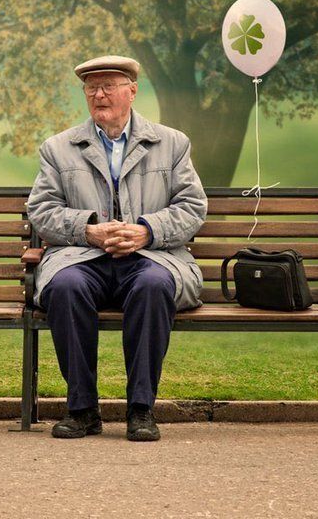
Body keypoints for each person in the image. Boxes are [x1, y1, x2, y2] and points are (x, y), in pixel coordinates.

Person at [27, 55, 207, 441]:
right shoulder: (58, 148)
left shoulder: (172, 143)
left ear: (132, 91)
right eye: (91, 88)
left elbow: (192, 208)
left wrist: (147, 231)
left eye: (109, 85)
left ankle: (141, 410)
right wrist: (87, 229)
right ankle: (82, 410)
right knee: (66, 287)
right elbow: (42, 212)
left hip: (152, 256)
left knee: (154, 285)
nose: (99, 94)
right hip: (82, 257)